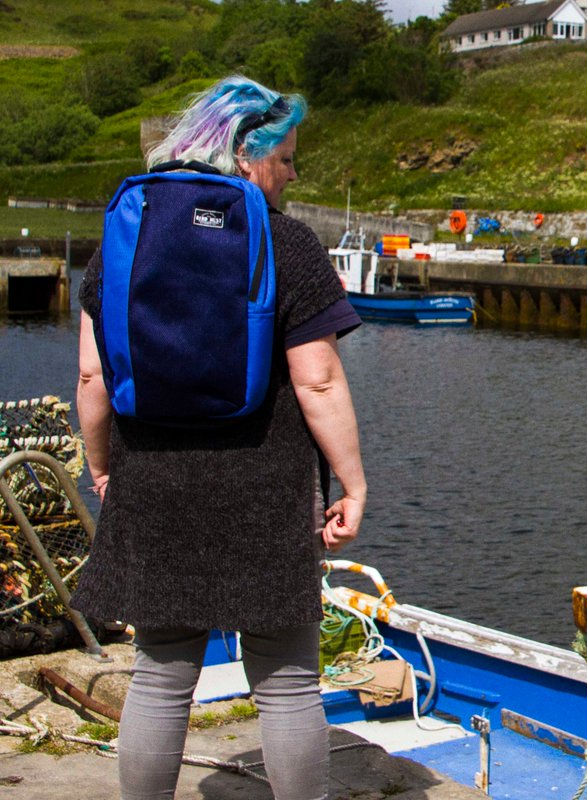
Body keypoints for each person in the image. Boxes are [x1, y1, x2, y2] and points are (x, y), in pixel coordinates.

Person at [72, 75, 367, 800]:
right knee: (289, 683)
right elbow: (319, 380)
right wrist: (354, 483)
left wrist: (100, 465)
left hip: (154, 482)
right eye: (287, 158)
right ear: (245, 153)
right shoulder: (288, 243)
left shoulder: (125, 234)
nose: (294, 175)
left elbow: (91, 378)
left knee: (162, 676)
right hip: (266, 485)